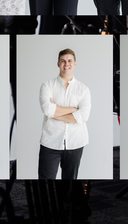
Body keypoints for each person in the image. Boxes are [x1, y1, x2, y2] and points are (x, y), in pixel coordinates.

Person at [39, 49, 93, 180]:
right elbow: (47, 109)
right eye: (63, 61)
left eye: (69, 61)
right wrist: (74, 109)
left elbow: (83, 116)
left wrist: (55, 112)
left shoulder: (83, 89)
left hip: (75, 142)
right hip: (50, 142)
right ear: (58, 64)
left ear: (75, 64)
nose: (66, 64)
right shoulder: (47, 85)